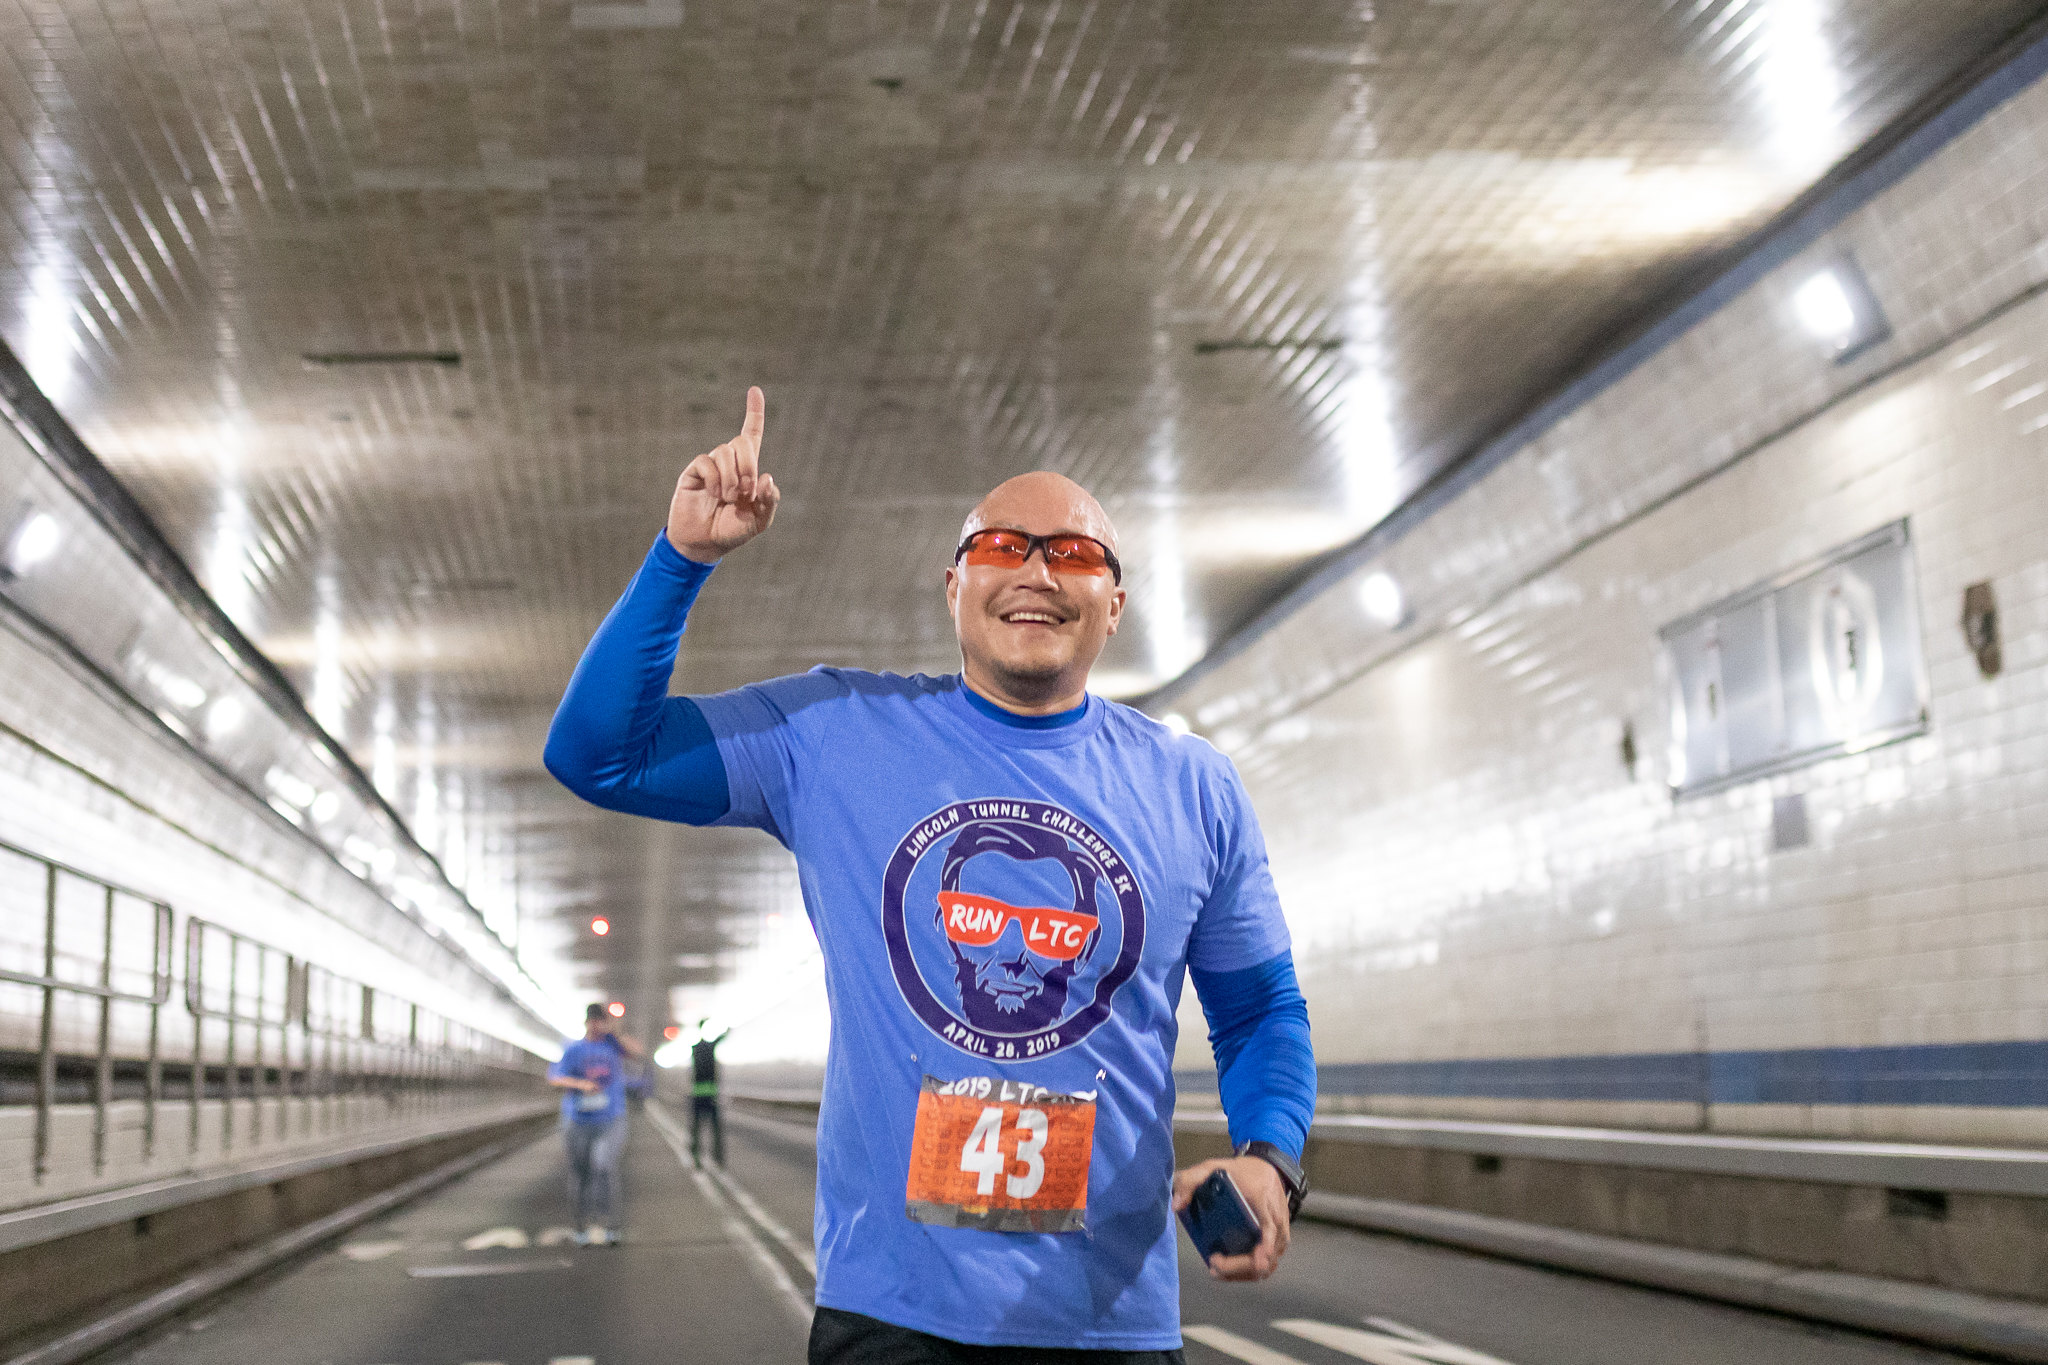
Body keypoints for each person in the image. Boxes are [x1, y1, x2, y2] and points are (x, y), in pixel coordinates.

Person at [546, 388, 1316, 1361]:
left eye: (1072, 554)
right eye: (1001, 546)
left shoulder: (1192, 786)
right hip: (892, 1319)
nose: (1035, 571)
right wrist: (681, 560)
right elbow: (598, 756)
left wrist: (1267, 1161)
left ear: (1113, 604)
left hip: (1108, 1321)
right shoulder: (828, 735)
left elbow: (1259, 1014)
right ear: (950, 584)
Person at [546, 1003, 646, 1246]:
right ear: (587, 1022)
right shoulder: (574, 1049)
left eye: (602, 1021)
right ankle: (581, 1226)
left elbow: (639, 1052)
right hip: (578, 1120)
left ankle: (610, 1225)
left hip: (610, 1118)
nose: (597, 1025)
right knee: (580, 1173)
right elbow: (555, 1077)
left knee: (604, 1165)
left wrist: (616, 1032)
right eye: (594, 1021)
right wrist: (581, 1085)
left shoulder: (612, 1046)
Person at [689, 1018, 732, 1167]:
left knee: (696, 1129)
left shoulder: (694, 1047)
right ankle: (718, 1159)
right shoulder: (711, 1046)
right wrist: (726, 1024)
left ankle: (695, 1157)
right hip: (711, 1095)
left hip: (697, 1094)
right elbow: (724, 1035)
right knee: (715, 1129)